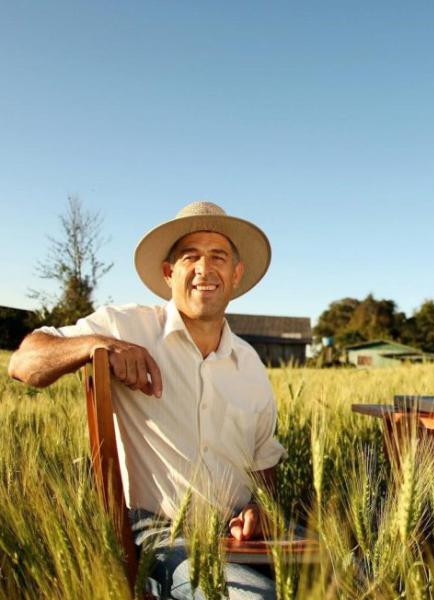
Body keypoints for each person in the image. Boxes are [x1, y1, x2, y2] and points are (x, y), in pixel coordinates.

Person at [8, 201, 284, 599]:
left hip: (241, 539)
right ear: (170, 273)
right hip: (162, 534)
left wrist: (260, 510)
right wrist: (100, 344)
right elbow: (25, 362)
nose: (205, 269)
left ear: (236, 274)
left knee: (358, 574)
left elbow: (265, 470)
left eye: (218, 257)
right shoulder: (127, 325)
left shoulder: (252, 367)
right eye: (191, 256)